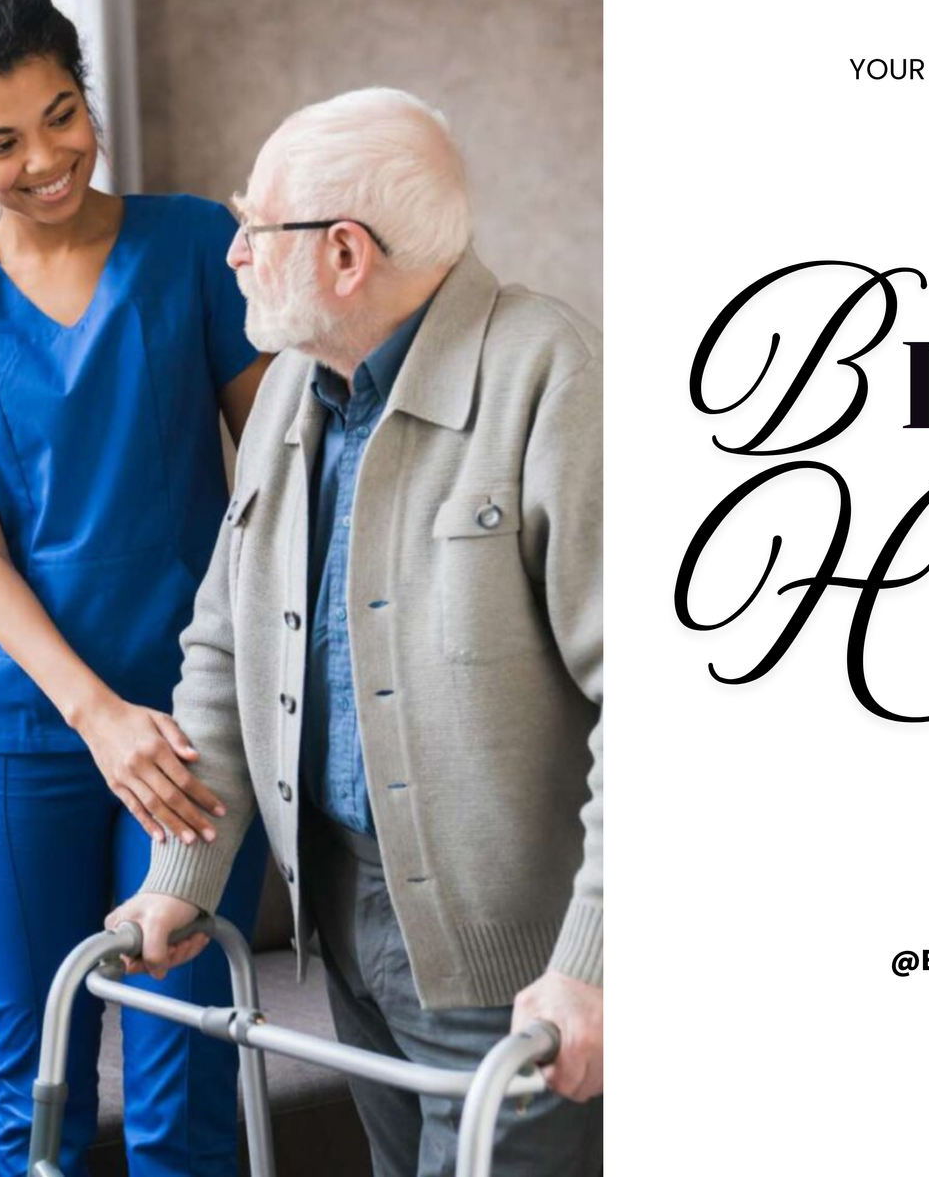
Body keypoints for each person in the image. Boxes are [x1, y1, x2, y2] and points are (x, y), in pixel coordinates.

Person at [103, 87, 604, 1176]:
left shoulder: (550, 373)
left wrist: (596, 962)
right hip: (344, 920)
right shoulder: (292, 390)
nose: (233, 253)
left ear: (343, 255)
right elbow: (227, 647)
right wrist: (179, 875)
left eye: (255, 225)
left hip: (515, 966)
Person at [0, 0, 274, 1177]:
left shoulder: (197, 244)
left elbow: (273, 487)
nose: (47, 156)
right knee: (35, 1077)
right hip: (27, 734)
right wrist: (95, 716)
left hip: (194, 732)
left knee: (184, 1076)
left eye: (62, 114)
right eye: (1, 140)